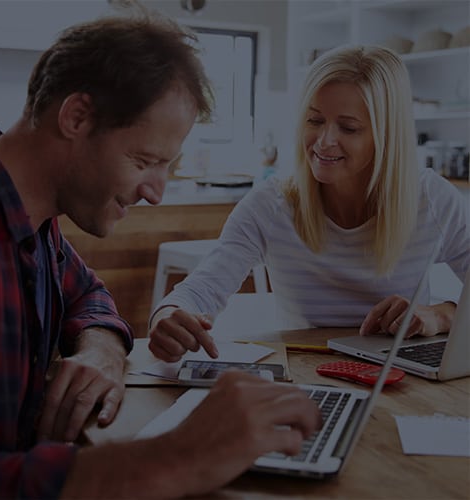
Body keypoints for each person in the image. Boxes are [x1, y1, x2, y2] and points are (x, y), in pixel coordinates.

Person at [0, 14, 322, 499]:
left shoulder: (31, 220)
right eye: (144, 161)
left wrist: (101, 350)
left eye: (167, 166)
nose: (156, 192)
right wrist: (166, 461)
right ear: (76, 117)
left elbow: (90, 296)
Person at [148, 45, 469, 363]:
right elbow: (201, 289)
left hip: (404, 381)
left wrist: (442, 315)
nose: (325, 141)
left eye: (348, 127)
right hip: (307, 376)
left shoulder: (432, 200)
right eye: (315, 120)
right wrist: (169, 314)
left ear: (387, 135)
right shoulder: (271, 205)